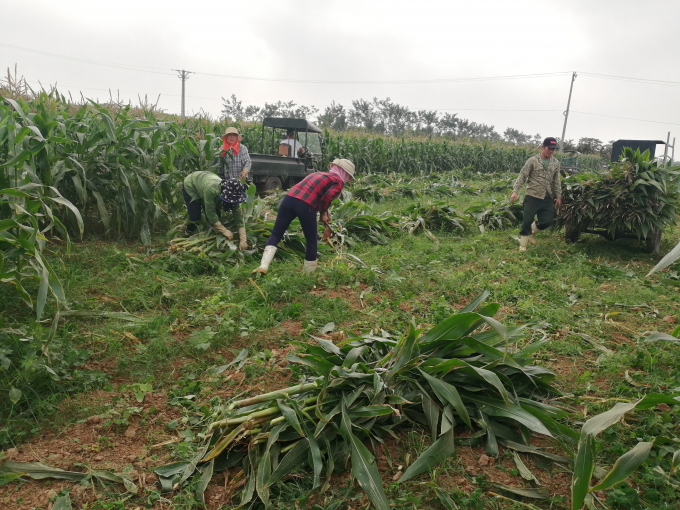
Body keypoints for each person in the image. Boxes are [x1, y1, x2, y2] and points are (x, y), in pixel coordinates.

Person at [252, 158, 356, 274]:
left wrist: (325, 213)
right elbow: (327, 197)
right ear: (345, 173)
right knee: (311, 240)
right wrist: (322, 213)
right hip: (306, 204)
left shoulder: (317, 174)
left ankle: (263, 265)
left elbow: (318, 194)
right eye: (348, 176)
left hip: (288, 199)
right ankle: (308, 274)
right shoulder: (338, 181)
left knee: (276, 233)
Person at [510, 137, 562, 252]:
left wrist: (558, 196)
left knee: (547, 221)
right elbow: (522, 175)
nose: (551, 151)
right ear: (543, 147)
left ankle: (531, 234)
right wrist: (515, 191)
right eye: (549, 148)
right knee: (527, 221)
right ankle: (523, 245)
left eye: (553, 149)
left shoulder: (556, 163)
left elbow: (557, 180)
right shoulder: (532, 161)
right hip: (532, 195)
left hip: (547, 196)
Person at [182, 171, 248, 251]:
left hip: (205, 182)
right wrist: (224, 230)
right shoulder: (211, 190)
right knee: (195, 215)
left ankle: (208, 230)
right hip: (191, 184)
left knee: (217, 216)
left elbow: (239, 217)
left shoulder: (234, 196)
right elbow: (210, 212)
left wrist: (243, 238)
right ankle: (189, 232)